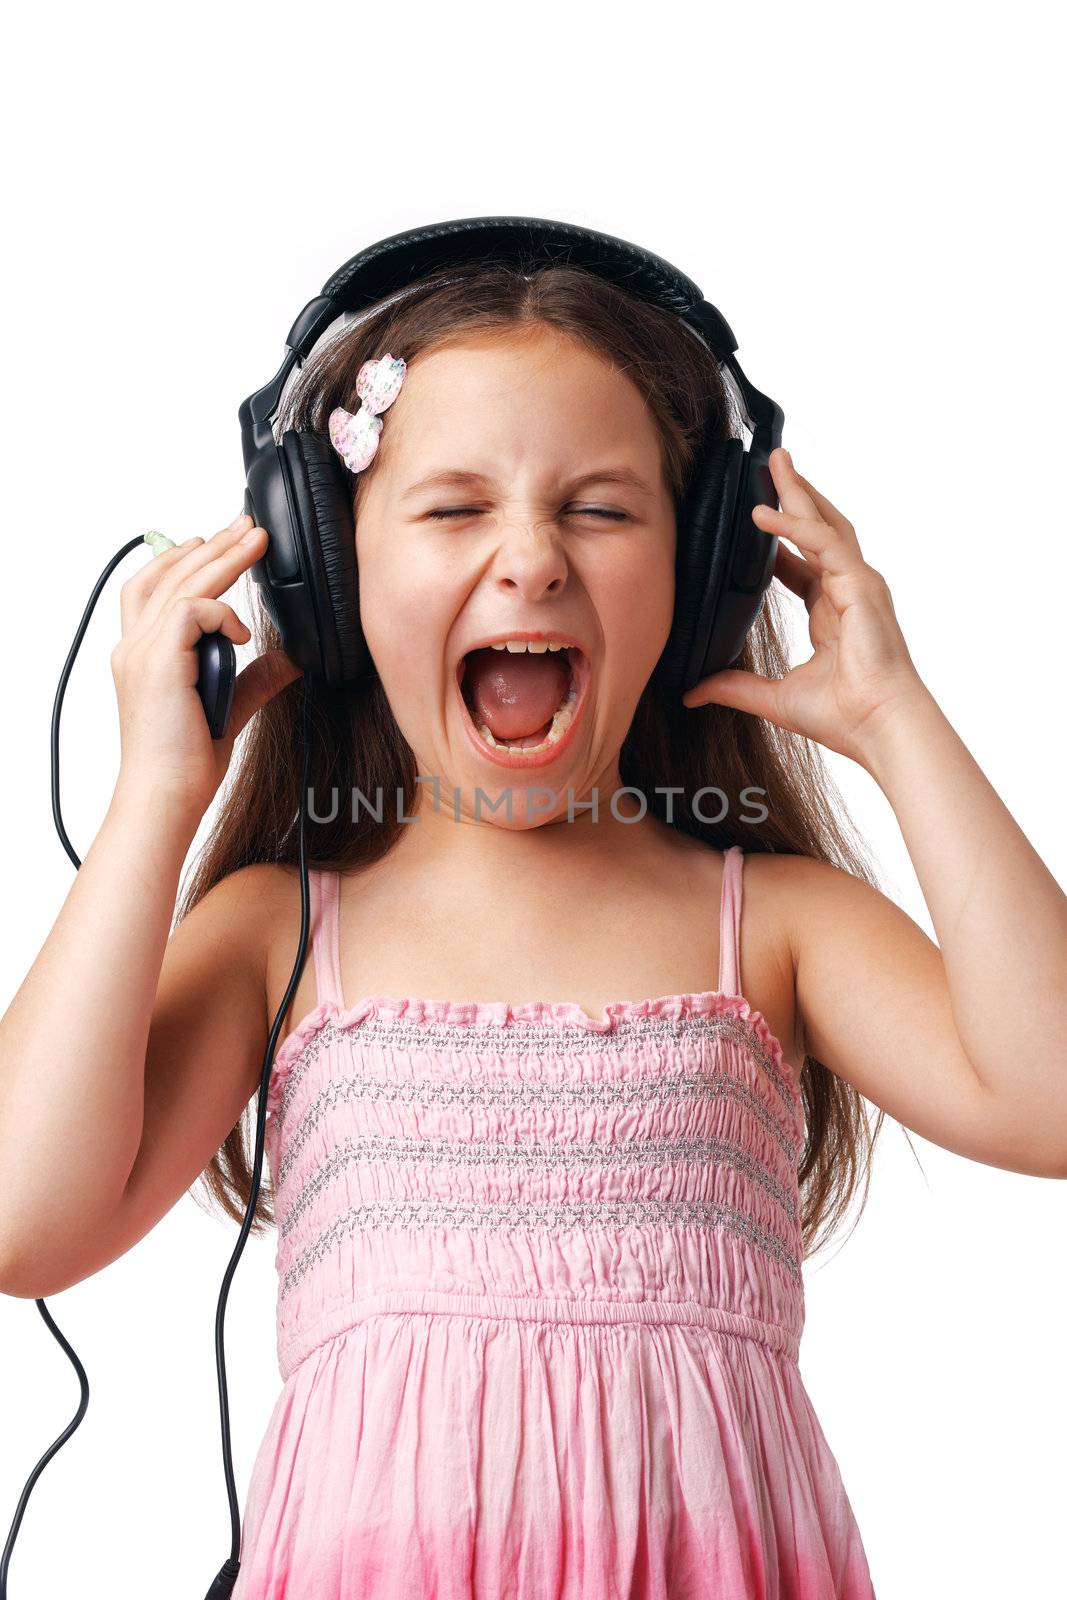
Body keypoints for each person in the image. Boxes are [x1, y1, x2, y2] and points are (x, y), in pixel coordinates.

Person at [2, 258, 1064, 1600]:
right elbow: (22, 1219)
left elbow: (1053, 1097)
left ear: (706, 574)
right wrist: (158, 796)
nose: (530, 559)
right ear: (329, 582)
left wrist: (895, 722)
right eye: (451, 507)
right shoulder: (283, 934)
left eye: (603, 509)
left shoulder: (772, 924)